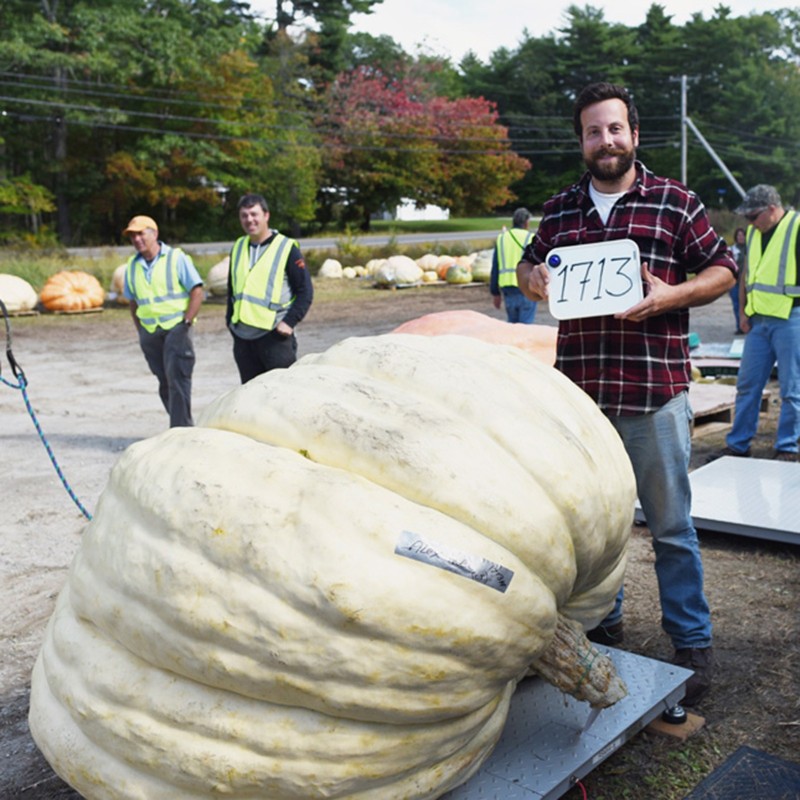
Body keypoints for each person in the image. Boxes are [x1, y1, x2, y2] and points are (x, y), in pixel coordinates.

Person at [517, 82, 737, 706]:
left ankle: (692, 643)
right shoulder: (561, 211)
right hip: (581, 403)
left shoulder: (675, 202)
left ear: (634, 135)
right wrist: (532, 279)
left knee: (670, 527)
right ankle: (603, 625)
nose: (605, 140)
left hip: (655, 394)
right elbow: (527, 268)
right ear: (582, 141)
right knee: (595, 530)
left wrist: (671, 295)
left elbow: (722, 269)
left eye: (615, 129)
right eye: (593, 131)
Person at [721, 185, 800, 462]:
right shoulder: (754, 234)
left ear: (771, 209)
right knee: (747, 385)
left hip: (792, 319)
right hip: (759, 323)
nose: (749, 222)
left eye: (753, 216)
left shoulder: (797, 227)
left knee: (792, 389)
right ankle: (739, 444)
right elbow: (746, 275)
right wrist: (742, 312)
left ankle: (787, 447)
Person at [123, 215, 204, 428]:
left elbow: (197, 290)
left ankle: (182, 431)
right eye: (132, 235)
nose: (137, 239)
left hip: (177, 328)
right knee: (165, 382)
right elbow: (133, 301)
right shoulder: (132, 266)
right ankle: (182, 426)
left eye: (141, 233)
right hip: (150, 333)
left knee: (178, 379)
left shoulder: (176, 258)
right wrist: (141, 331)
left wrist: (186, 323)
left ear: (154, 233)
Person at [226, 193, 313, 383]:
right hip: (243, 339)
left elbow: (305, 291)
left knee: (282, 396)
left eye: (254, 214)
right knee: (251, 399)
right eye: (244, 215)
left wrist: (289, 323)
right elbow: (231, 290)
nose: (249, 220)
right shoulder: (239, 247)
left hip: (274, 337)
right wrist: (230, 322)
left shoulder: (286, 247)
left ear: (266, 215)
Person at [490, 208, 537, 323]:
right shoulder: (530, 237)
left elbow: (495, 266)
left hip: (507, 288)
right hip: (526, 286)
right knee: (525, 327)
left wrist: (495, 292)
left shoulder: (502, 238)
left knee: (513, 326)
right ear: (526, 222)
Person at [729, 226, 747, 334]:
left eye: (742, 235)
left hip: (748, 283)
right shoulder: (732, 250)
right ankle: (739, 326)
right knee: (737, 305)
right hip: (735, 282)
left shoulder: (751, 248)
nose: (740, 237)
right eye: (738, 235)